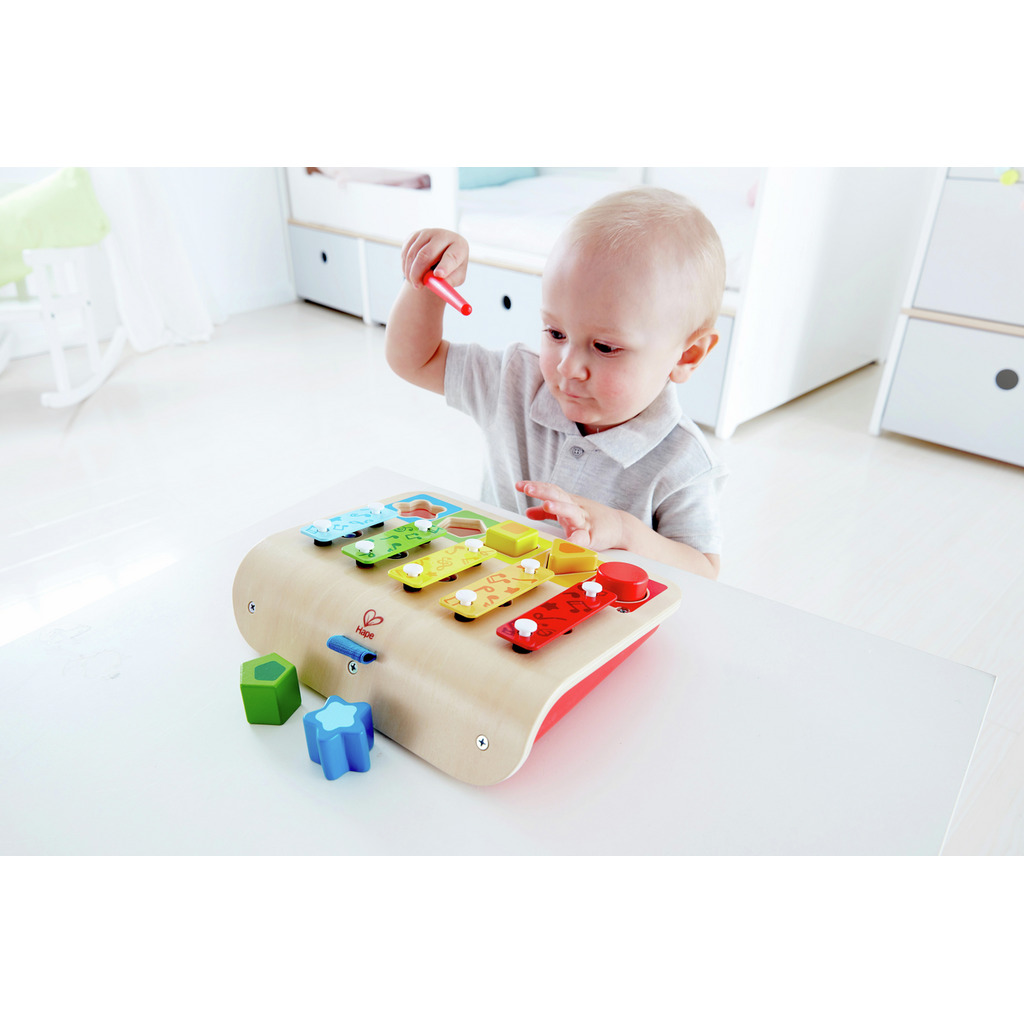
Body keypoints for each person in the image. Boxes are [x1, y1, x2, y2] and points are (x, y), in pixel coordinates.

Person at [384, 186, 727, 579]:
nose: (567, 367)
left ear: (688, 355)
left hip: (592, 621)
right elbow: (414, 360)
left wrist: (624, 530)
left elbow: (704, 570)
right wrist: (428, 284)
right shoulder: (516, 380)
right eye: (555, 332)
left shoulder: (683, 461)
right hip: (484, 587)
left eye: (604, 346)